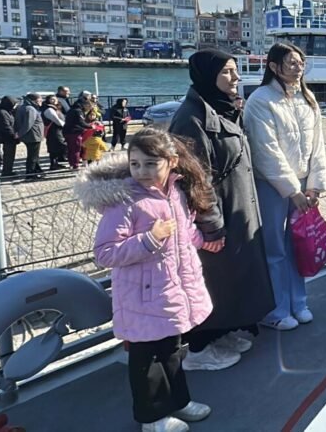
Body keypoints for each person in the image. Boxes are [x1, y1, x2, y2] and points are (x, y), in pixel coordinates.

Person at [79, 127, 217, 432]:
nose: (141, 171)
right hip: (142, 298)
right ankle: (152, 417)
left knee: (172, 351)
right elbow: (104, 253)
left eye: (150, 164)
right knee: (147, 361)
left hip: (170, 291)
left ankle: (178, 401)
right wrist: (148, 241)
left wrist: (205, 241)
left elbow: (184, 233)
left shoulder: (176, 193)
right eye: (135, 163)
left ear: (172, 162)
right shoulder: (125, 202)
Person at [169, 50, 273, 369]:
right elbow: (196, 179)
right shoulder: (191, 118)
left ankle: (221, 332)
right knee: (212, 279)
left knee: (231, 279)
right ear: (207, 75)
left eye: (235, 71)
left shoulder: (221, 109)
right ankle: (199, 348)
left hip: (236, 207)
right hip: (214, 217)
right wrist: (211, 224)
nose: (236, 78)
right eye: (227, 72)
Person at [244, 43, 326, 331]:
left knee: (298, 244)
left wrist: (314, 185)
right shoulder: (260, 100)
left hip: (303, 183)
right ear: (273, 66)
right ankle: (276, 309)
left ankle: (298, 301)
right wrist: (292, 189)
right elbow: (265, 150)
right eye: (291, 62)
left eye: (300, 62)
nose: (298, 67)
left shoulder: (307, 99)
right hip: (272, 185)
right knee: (275, 247)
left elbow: (317, 145)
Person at [14, 94, 44, 178]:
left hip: (31, 135)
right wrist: (19, 134)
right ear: (34, 100)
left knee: (34, 155)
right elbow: (28, 124)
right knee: (33, 156)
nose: (41, 101)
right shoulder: (30, 109)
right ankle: (30, 173)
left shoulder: (23, 107)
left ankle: (37, 169)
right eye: (40, 100)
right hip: (33, 136)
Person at [64, 91, 93, 169]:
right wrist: (91, 127)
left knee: (71, 149)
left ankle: (71, 164)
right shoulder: (78, 111)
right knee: (76, 149)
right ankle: (75, 165)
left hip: (68, 131)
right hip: (74, 132)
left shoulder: (72, 110)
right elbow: (81, 122)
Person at [0, 96, 17, 177]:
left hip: (6, 136)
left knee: (9, 155)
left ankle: (8, 170)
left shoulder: (5, 111)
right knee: (9, 155)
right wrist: (13, 135)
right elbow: (6, 126)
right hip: (7, 137)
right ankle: (7, 171)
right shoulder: (3, 112)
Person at [43, 96, 68, 170]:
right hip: (53, 131)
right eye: (52, 99)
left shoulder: (55, 108)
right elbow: (57, 121)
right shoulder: (49, 109)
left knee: (56, 147)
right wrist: (66, 126)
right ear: (48, 100)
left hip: (57, 130)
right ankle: (53, 164)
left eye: (55, 99)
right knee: (57, 146)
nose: (54, 101)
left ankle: (56, 163)